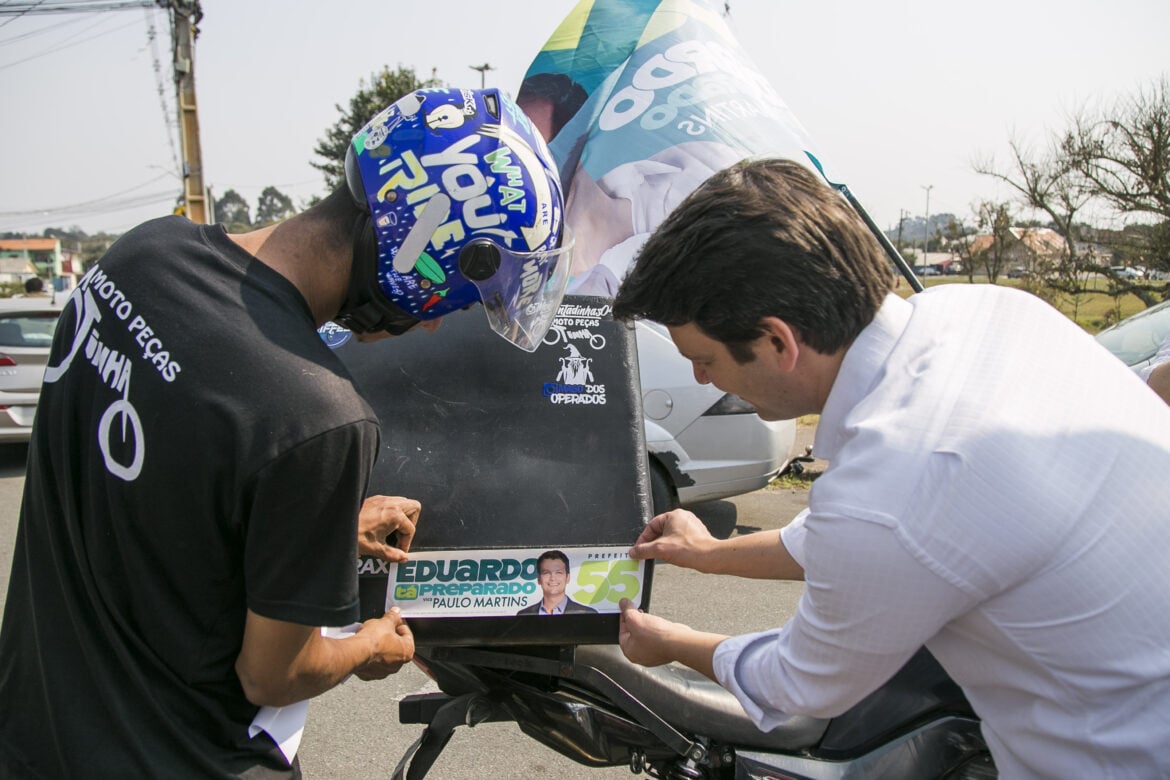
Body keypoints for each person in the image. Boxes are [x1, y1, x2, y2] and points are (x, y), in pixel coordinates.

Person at [0, 87, 570, 778]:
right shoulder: (319, 416)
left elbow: (167, 480)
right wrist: (371, 646)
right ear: (420, 248)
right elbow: (274, 676)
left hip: (34, 737)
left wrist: (311, 526)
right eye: (449, 301)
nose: (428, 324)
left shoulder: (135, 260)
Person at [611, 158, 1170, 776]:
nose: (700, 377)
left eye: (704, 358)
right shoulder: (990, 312)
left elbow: (800, 682)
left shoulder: (894, 479)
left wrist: (668, 643)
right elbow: (879, 538)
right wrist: (711, 552)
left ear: (778, 342)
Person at [517, 550, 598, 615]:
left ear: (567, 578)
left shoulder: (588, 614)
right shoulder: (524, 614)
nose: (552, 578)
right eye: (546, 573)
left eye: (558, 572)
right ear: (539, 579)